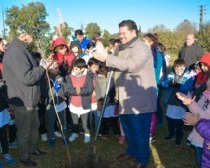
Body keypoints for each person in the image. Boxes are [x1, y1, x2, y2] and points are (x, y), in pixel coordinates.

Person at [93, 20, 157, 167]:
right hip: (124, 96)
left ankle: (142, 159)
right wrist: (105, 61)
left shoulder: (142, 47)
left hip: (140, 99)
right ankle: (131, 152)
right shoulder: (121, 48)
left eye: (124, 33)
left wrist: (107, 58)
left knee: (140, 131)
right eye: (119, 33)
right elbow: (115, 65)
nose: (121, 36)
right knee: (128, 128)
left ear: (133, 32)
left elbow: (131, 65)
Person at [2, 25, 48, 167]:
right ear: (24, 35)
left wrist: (41, 66)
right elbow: (27, 77)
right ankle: (24, 156)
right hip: (22, 100)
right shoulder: (16, 52)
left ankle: (33, 149)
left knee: (34, 127)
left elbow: (28, 71)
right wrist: (42, 68)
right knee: (24, 131)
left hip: (30, 98)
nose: (34, 39)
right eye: (33, 36)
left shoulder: (21, 49)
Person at [176, 72, 210, 167]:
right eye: (208, 79)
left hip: (204, 139)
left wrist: (190, 104)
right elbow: (198, 111)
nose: (207, 82)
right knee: (201, 161)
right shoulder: (205, 95)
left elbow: (204, 117)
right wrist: (188, 100)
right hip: (201, 138)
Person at [161, 58, 193, 146]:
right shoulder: (171, 75)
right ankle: (171, 134)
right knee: (169, 118)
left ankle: (179, 136)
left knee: (179, 121)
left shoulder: (188, 77)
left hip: (181, 103)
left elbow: (189, 87)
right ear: (174, 68)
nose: (179, 70)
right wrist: (168, 84)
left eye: (181, 68)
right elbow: (163, 83)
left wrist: (179, 86)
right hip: (171, 102)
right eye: (176, 68)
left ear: (184, 67)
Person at [66, 58, 93, 143]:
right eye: (74, 68)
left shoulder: (88, 77)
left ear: (82, 69)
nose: (74, 70)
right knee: (74, 122)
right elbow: (68, 89)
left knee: (85, 123)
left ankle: (87, 133)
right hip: (73, 103)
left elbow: (90, 90)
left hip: (84, 104)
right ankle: (75, 133)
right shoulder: (68, 77)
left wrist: (80, 91)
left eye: (76, 69)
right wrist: (75, 91)